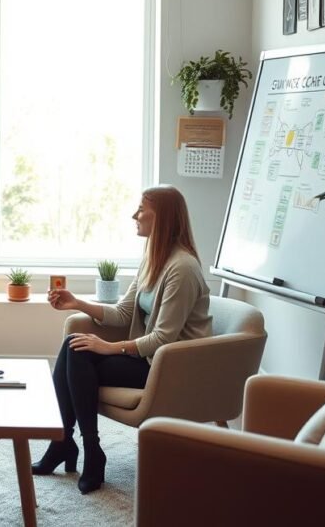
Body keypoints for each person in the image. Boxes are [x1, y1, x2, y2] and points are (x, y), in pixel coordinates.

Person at [34, 185, 211, 494]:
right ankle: (73, 445)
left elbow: (163, 338)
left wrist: (108, 347)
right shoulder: (154, 259)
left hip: (170, 367)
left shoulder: (183, 268)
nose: (135, 215)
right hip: (146, 360)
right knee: (74, 346)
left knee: (77, 353)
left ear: (163, 218)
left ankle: (79, 448)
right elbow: (124, 312)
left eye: (141, 209)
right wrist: (77, 303)